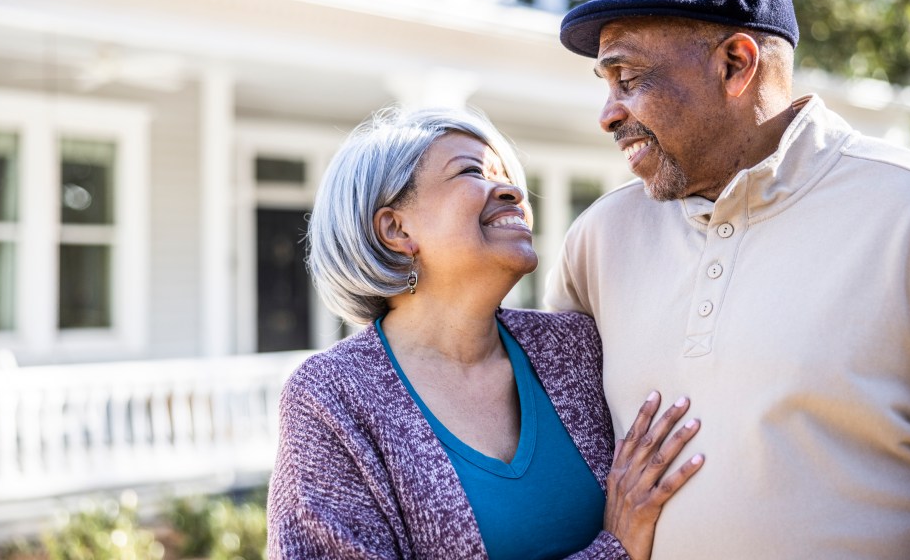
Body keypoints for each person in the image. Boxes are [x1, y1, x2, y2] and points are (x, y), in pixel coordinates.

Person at [547, 0, 910, 560]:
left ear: (734, 64)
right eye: (605, 85)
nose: (607, 115)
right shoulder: (597, 239)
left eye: (630, 78)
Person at [267, 107, 705, 559]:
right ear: (395, 228)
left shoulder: (574, 348)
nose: (514, 191)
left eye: (509, 175)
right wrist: (615, 550)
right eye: (473, 171)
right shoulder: (332, 397)